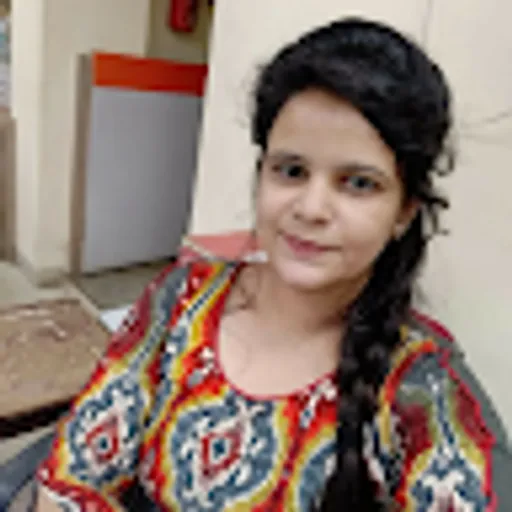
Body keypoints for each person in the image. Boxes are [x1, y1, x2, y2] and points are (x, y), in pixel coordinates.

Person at [36, 18, 511, 511]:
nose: (311, 208)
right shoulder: (181, 299)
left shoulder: (422, 390)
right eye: (291, 170)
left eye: (358, 183)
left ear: (404, 211)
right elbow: (69, 484)